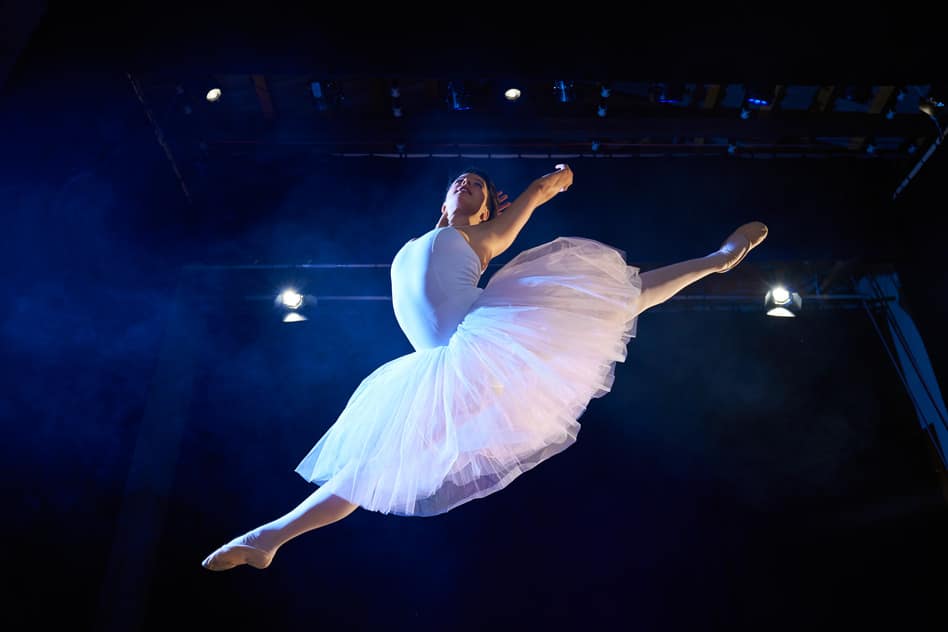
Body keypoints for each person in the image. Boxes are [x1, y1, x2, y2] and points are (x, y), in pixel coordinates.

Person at [202, 164, 767, 571]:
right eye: (458, 180)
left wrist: (552, 182)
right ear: (441, 200)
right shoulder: (417, 241)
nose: (464, 183)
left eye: (476, 185)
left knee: (617, 297)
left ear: (487, 207)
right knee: (373, 470)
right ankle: (270, 536)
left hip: (484, 339)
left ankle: (717, 261)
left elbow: (535, 198)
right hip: (435, 365)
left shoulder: (482, 235)